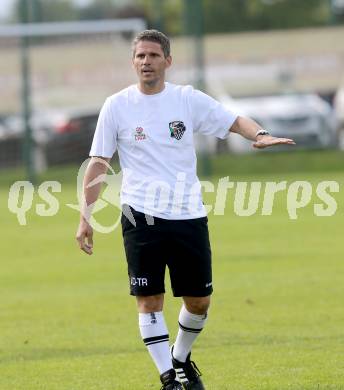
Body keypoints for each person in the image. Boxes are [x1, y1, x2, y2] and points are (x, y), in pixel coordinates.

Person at [76, 30, 295, 390]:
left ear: (168, 61)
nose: (146, 61)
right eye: (140, 56)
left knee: (199, 302)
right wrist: (85, 215)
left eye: (153, 55)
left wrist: (259, 134)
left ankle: (180, 358)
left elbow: (234, 120)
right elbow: (99, 163)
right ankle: (169, 379)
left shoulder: (186, 100)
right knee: (149, 301)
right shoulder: (116, 105)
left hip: (187, 214)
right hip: (140, 214)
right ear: (133, 62)